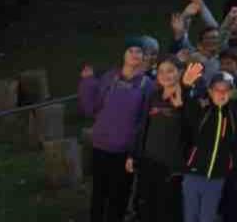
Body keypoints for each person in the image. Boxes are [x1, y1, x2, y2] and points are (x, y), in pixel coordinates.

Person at [78, 38, 153, 222]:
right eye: (131, 50)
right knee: (98, 193)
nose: (135, 54)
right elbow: (91, 108)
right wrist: (87, 83)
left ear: (144, 58)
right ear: (124, 55)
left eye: (139, 52)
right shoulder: (110, 77)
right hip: (101, 145)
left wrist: (135, 151)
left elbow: (144, 121)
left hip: (125, 150)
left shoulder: (147, 85)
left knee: (118, 196)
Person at [179, 67, 237, 222]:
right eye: (217, 89)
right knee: (190, 216)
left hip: (217, 177)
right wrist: (186, 86)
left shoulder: (235, 114)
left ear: (232, 93)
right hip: (193, 173)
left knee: (207, 217)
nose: (221, 94)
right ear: (209, 91)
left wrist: (231, 162)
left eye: (226, 90)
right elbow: (185, 105)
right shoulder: (202, 110)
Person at [129, 57, 186, 222]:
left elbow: (191, 129)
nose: (165, 75)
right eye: (161, 71)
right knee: (146, 207)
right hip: (149, 162)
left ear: (180, 72)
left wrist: (181, 107)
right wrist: (134, 155)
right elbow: (142, 127)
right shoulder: (153, 96)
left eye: (170, 71)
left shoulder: (187, 97)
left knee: (169, 210)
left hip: (172, 166)